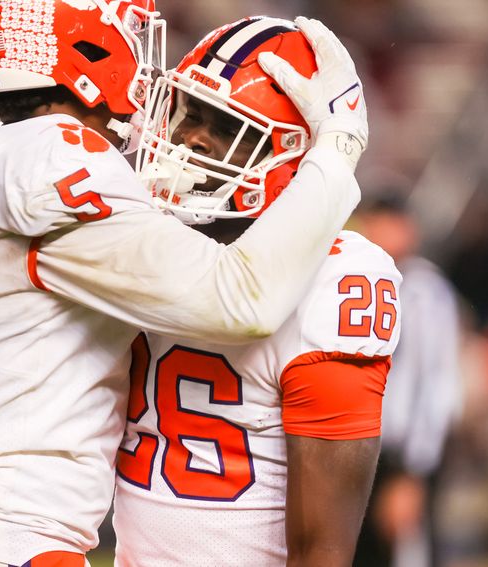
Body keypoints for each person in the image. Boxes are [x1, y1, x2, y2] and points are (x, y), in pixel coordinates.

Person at [0, 1, 369, 565]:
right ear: (81, 39)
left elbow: (3, 399)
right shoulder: (57, 155)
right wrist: (337, 151)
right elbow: (241, 300)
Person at [113, 16, 402, 567]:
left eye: (224, 125)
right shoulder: (144, 238)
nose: (189, 138)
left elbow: (322, 551)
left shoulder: (338, 278)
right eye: (187, 114)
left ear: (296, 154)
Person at [352, 193, 461, 567]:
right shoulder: (357, 278)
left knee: (405, 553)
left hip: (401, 452)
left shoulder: (423, 290)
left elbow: (435, 383)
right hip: (360, 446)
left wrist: (412, 471)